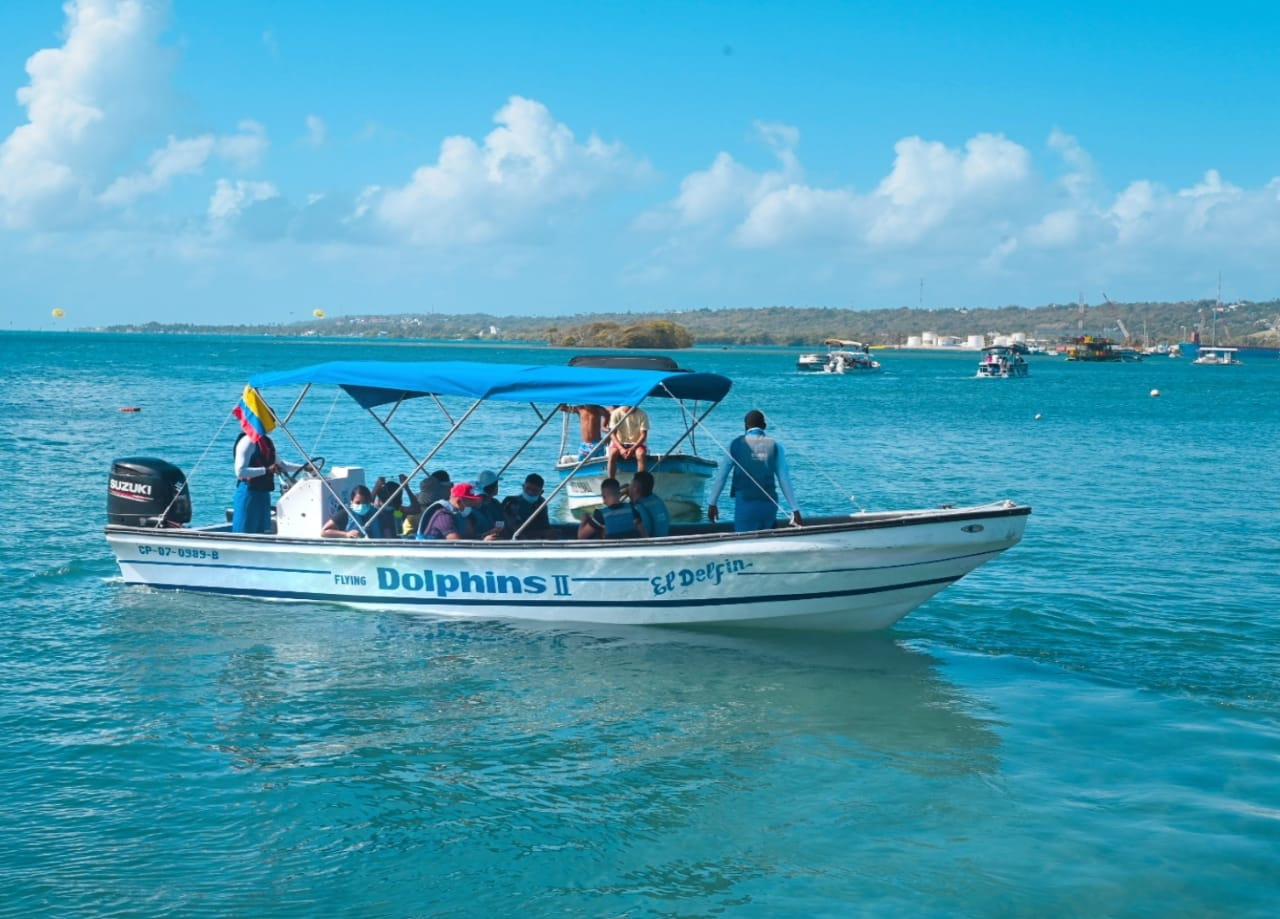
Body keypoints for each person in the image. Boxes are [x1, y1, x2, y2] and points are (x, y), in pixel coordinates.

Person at [706, 409, 803, 532]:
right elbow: (784, 479)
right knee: (768, 540)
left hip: (745, 504)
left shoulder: (734, 445)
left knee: (744, 540)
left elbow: (721, 477)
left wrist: (712, 503)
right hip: (769, 504)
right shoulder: (776, 446)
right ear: (764, 426)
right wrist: (795, 509)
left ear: (745, 426)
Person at [232, 432, 305, 534]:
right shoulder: (248, 442)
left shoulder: (267, 442)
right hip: (249, 492)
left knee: (262, 532)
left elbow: (282, 465)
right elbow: (240, 471)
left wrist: (304, 467)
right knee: (245, 531)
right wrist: (266, 470)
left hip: (264, 493)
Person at [416, 482, 487, 540]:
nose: (472, 505)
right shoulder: (443, 515)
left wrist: (484, 536)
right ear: (459, 501)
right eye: (470, 502)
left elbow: (470, 536)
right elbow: (455, 542)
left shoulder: (460, 514)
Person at [577, 477, 643, 539]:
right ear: (619, 494)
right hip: (632, 549)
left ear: (603, 497)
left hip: (611, 549)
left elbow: (581, 536)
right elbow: (644, 535)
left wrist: (583, 520)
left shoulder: (600, 515)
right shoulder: (631, 510)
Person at [502, 473, 554, 539]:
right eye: (527, 489)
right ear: (523, 487)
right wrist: (543, 533)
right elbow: (517, 532)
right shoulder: (510, 502)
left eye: (535, 491)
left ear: (541, 492)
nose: (530, 492)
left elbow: (545, 525)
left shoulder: (541, 503)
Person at [606, 404, 649, 479]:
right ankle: (611, 480)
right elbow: (612, 434)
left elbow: (643, 435)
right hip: (620, 442)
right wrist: (621, 448)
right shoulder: (616, 413)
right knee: (612, 453)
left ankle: (640, 480)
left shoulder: (642, 414)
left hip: (636, 443)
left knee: (640, 454)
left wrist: (633, 448)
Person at [628, 470, 669, 537]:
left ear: (635, 489)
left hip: (649, 545)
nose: (628, 486)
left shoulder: (635, 510)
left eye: (630, 484)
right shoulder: (657, 499)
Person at [470, 470, 506, 539]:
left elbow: (501, 521)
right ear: (494, 487)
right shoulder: (474, 508)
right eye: (496, 485)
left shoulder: (495, 503)